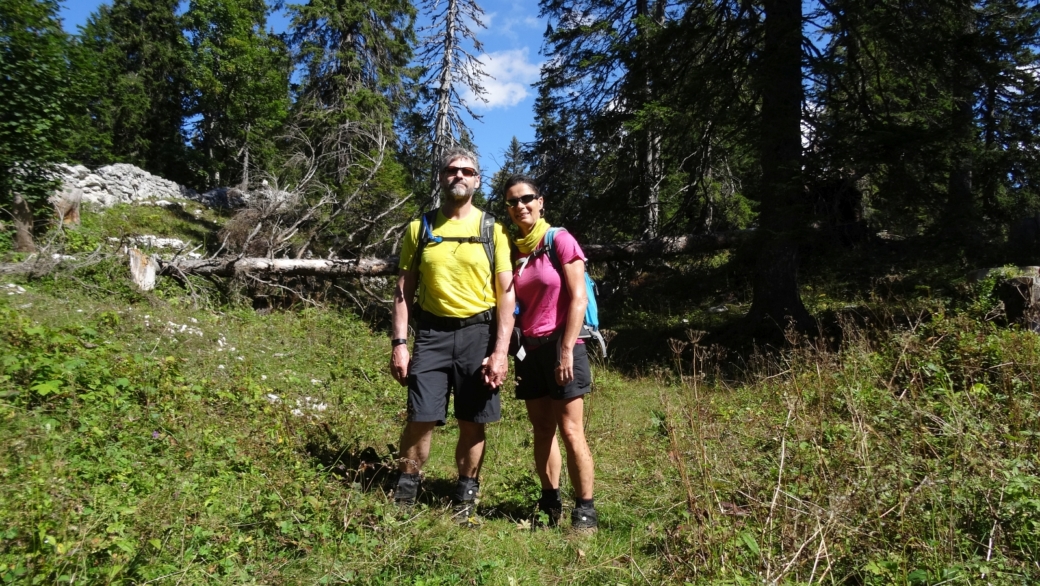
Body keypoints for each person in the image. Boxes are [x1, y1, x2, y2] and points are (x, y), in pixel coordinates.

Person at [388, 147, 515, 522]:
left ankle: (465, 498)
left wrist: (501, 351)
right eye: (451, 170)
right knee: (420, 416)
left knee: (473, 419)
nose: (459, 175)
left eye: (467, 171)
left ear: (477, 180)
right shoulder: (420, 228)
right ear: (441, 177)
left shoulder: (493, 230)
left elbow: (506, 296)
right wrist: (399, 344)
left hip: (479, 332)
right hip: (431, 334)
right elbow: (402, 292)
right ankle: (406, 492)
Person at [503, 174, 597, 533]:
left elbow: (578, 298)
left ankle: (585, 508)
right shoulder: (514, 250)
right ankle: (550, 500)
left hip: (563, 346)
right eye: (512, 202)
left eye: (526, 198)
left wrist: (566, 352)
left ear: (540, 201)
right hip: (529, 350)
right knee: (542, 429)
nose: (520, 206)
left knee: (571, 431)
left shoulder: (559, 240)